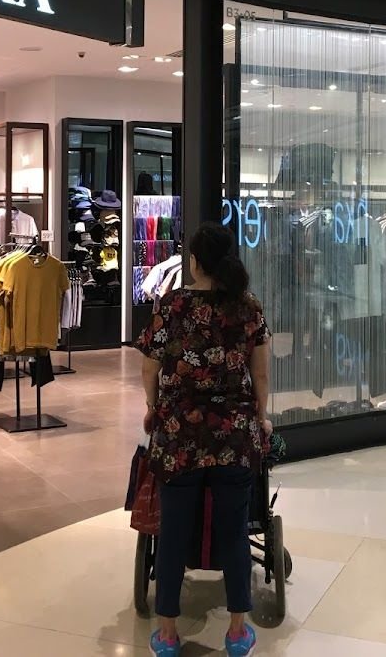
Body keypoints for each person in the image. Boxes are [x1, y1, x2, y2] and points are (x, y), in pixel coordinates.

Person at [136, 221, 272, 657]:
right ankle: (237, 632)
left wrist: (153, 406)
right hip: (233, 435)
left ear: (194, 262)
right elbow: (260, 374)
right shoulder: (248, 308)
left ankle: (168, 635)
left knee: (173, 532)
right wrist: (262, 418)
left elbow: (149, 367)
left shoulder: (171, 305)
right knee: (234, 532)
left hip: (180, 435)